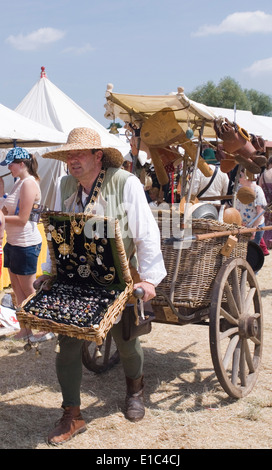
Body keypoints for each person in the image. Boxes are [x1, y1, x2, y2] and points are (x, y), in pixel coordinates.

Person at [34, 127, 167, 446]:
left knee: (125, 342)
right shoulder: (66, 184)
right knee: (66, 344)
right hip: (76, 280)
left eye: (78, 154)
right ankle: (72, 415)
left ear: (98, 157)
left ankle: (135, 390)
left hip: (118, 279)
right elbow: (60, 231)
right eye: (68, 155)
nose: (71, 160)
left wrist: (148, 279)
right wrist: (50, 271)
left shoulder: (125, 183)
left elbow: (146, 232)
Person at [0, 148, 50, 341]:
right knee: (18, 290)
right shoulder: (18, 183)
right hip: (14, 243)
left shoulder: (28, 183)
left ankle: (46, 327)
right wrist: (2, 192)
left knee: (29, 291)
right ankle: (26, 329)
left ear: (22, 164)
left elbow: (22, 219)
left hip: (26, 244)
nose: (9, 168)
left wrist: (2, 217)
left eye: (11, 164)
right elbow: (5, 210)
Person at [235, 169, 267, 245]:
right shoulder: (238, 188)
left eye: (240, 176)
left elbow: (260, 212)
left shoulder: (257, 190)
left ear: (246, 177)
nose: (238, 178)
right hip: (241, 227)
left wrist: (254, 228)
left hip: (254, 227)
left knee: (252, 253)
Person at [258, 155, 272, 249]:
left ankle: (269, 241)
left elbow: (259, 189)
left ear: (270, 163)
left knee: (268, 222)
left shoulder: (264, 174)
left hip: (268, 204)